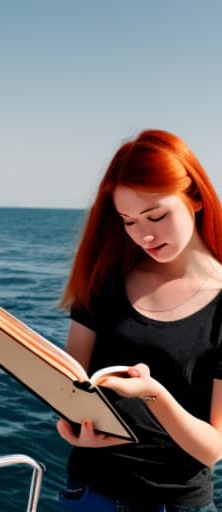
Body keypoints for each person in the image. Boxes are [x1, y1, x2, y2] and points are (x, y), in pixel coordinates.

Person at [56, 129, 222, 511]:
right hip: (88, 494)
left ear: (195, 198)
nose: (144, 235)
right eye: (128, 221)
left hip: (175, 504)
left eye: (156, 215)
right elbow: (70, 383)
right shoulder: (105, 283)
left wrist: (153, 394)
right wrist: (72, 426)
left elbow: (212, 449)